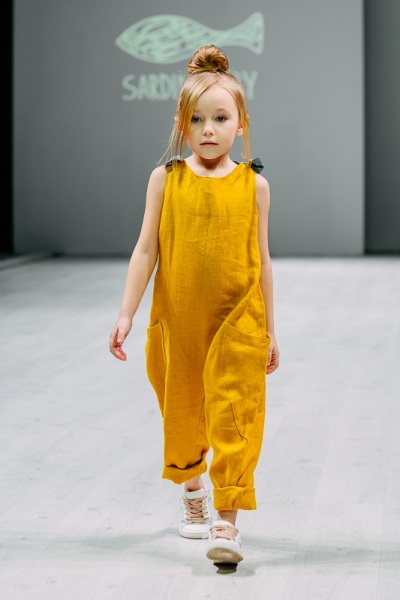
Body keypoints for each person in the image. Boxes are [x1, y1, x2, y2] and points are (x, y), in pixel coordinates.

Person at [109, 45, 280, 565]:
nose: (209, 129)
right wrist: (126, 312)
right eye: (197, 120)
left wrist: (271, 330)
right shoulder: (166, 178)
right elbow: (146, 250)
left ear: (241, 123)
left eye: (221, 118)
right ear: (182, 125)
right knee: (181, 414)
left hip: (238, 322)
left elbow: (262, 261)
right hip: (178, 321)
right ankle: (192, 490)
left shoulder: (255, 186)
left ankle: (227, 521)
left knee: (235, 415)